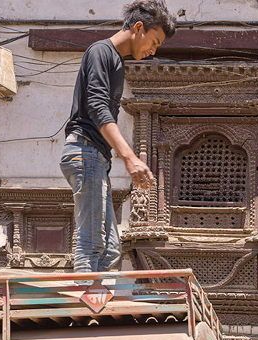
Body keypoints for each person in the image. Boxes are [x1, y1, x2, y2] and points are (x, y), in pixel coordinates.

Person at [60, 0, 176, 273]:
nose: (153, 50)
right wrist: (130, 157)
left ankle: (95, 305)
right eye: (154, 41)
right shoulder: (101, 52)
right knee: (91, 246)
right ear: (138, 28)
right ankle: (83, 309)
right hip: (84, 152)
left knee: (111, 249)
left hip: (96, 158)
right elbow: (98, 107)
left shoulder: (116, 62)